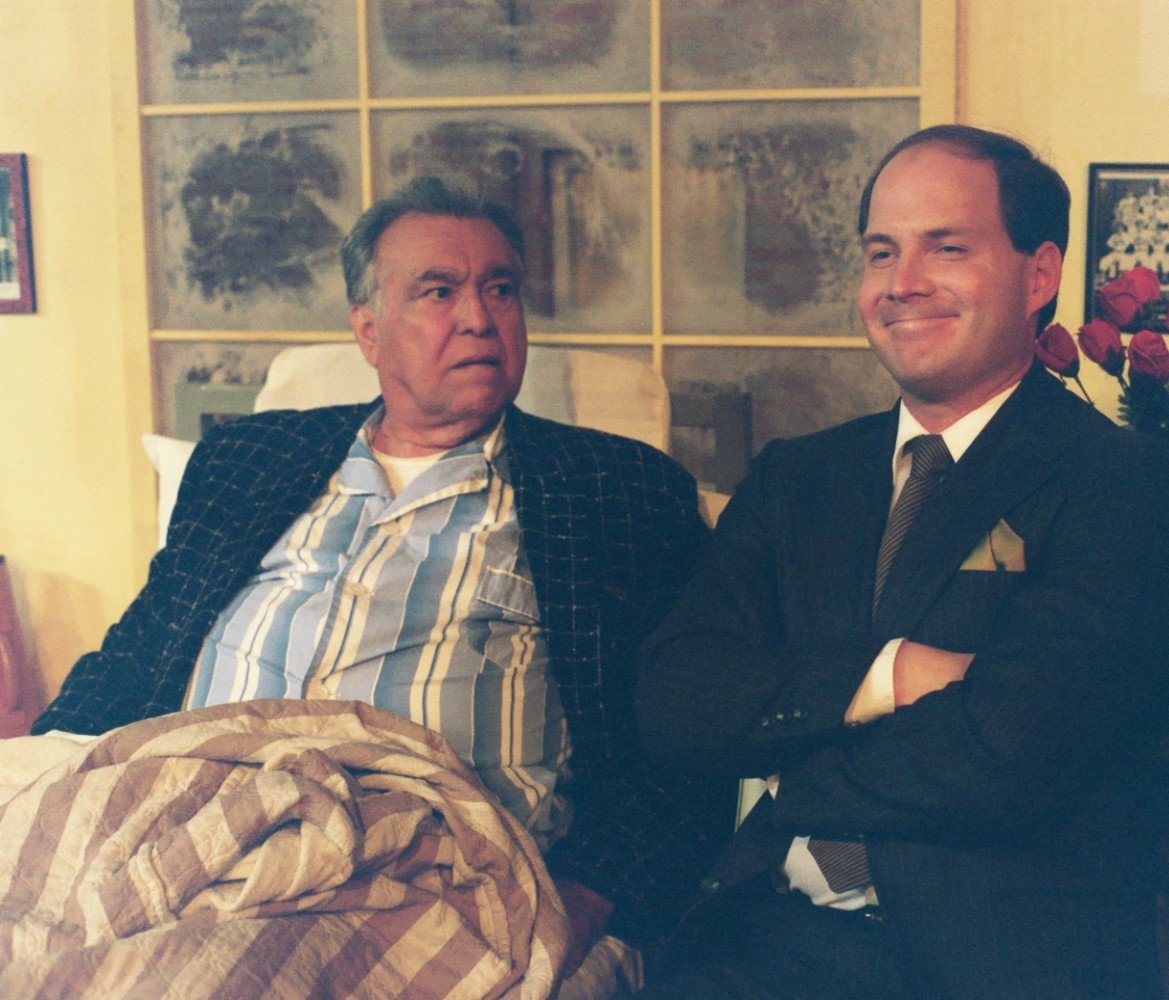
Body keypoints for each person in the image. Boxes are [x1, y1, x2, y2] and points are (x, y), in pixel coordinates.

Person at [33, 177, 728, 963]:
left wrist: (587, 897)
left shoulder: (615, 491)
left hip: (425, 880)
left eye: (500, 289)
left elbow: (683, 746)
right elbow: (135, 656)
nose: (480, 317)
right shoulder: (248, 459)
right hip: (176, 834)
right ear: (368, 329)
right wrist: (42, 791)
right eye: (439, 291)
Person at [634, 125, 1169, 999]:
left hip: (1000, 967)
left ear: (1039, 276)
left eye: (947, 248)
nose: (902, 283)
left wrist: (786, 771)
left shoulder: (1122, 482)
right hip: (760, 944)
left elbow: (1008, 757)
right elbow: (674, 699)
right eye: (881, 252)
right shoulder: (797, 477)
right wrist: (889, 676)